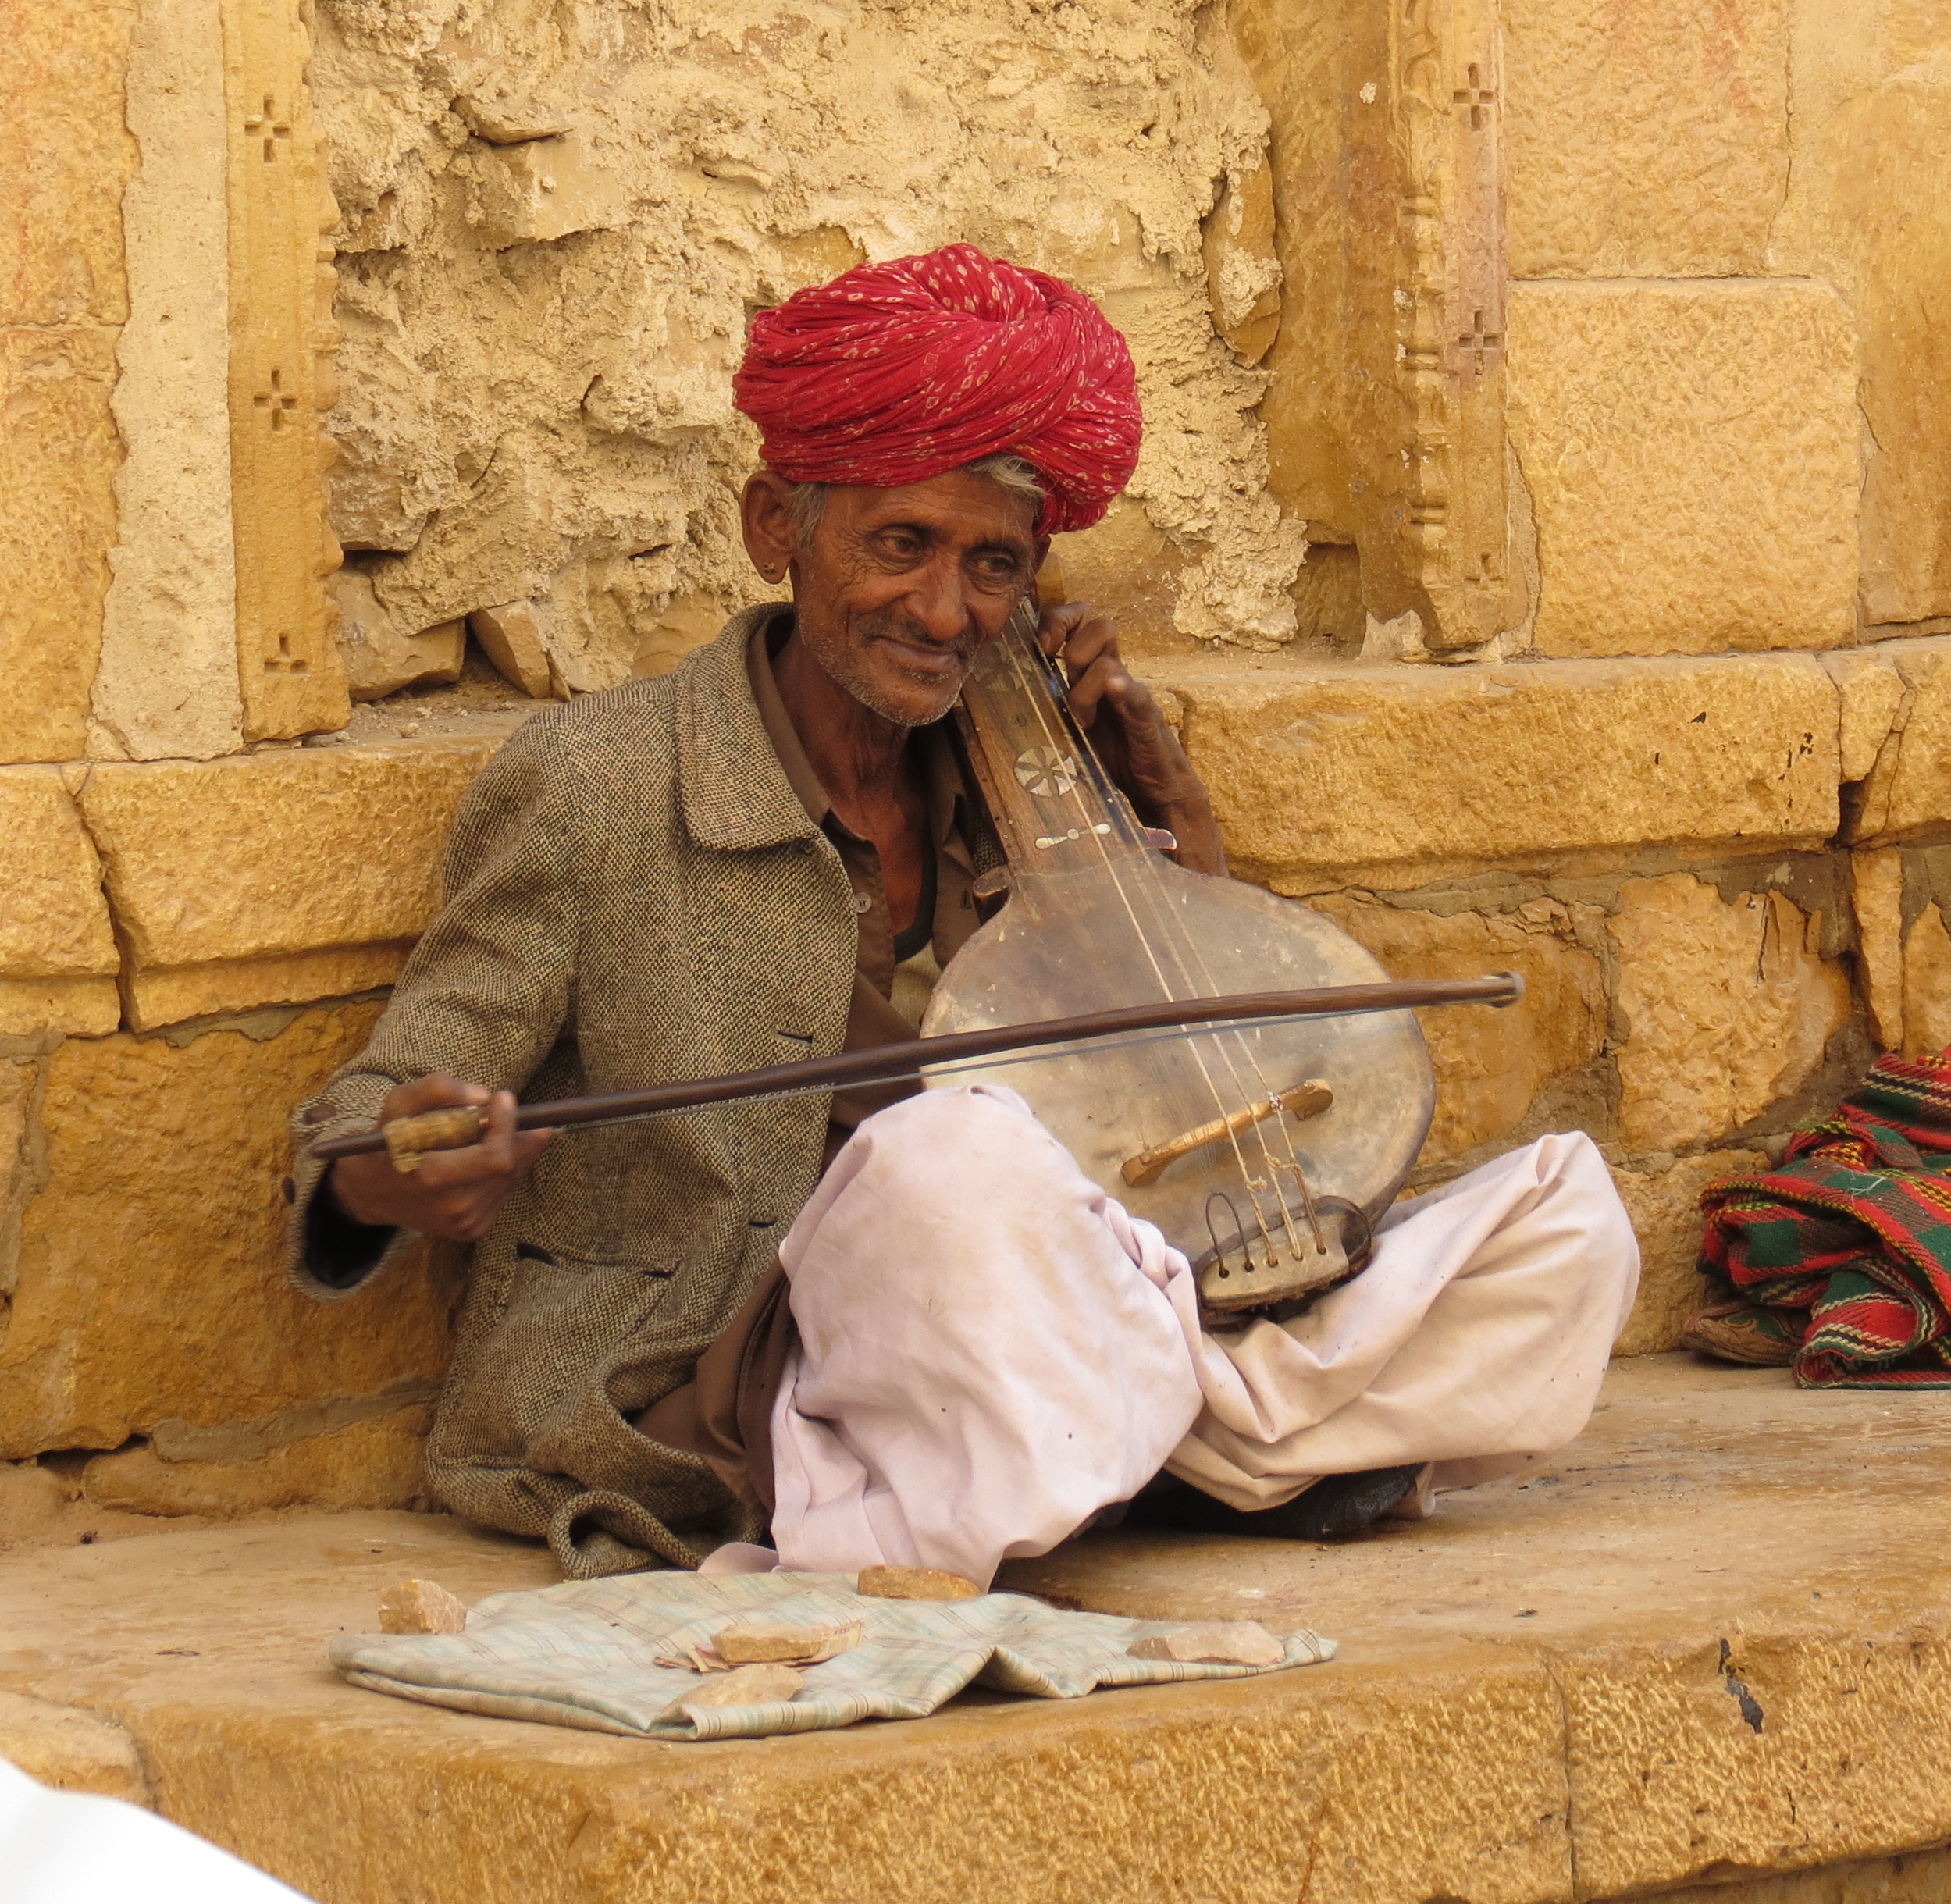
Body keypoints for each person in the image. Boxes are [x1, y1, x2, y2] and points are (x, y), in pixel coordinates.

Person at [289, 244, 1637, 1585]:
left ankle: (1128, 1443)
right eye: (901, 547)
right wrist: (397, 1161)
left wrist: (1171, 823)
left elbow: (1176, 1093)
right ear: (778, 529)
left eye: (994, 568)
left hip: (1069, 1309)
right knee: (960, 1161)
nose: (946, 612)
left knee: (1569, 1220)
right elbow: (368, 1116)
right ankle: (1235, 1446)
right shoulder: (593, 786)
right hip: (756, 1354)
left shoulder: (1034, 782)